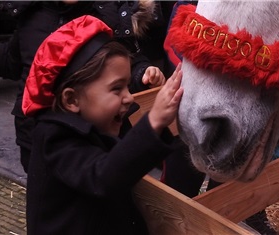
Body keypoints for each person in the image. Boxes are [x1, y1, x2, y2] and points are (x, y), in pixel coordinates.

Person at [23, 15, 183, 235]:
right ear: (71, 100)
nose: (129, 97)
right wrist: (153, 122)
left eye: (127, 86)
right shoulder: (54, 138)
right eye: (117, 89)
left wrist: (158, 129)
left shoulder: (99, 123)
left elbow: (126, 160)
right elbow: (103, 177)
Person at [0, 0, 171, 173]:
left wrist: (143, 72)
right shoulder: (32, 14)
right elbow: (11, 61)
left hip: (89, 139)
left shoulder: (108, 16)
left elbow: (128, 59)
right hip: (33, 135)